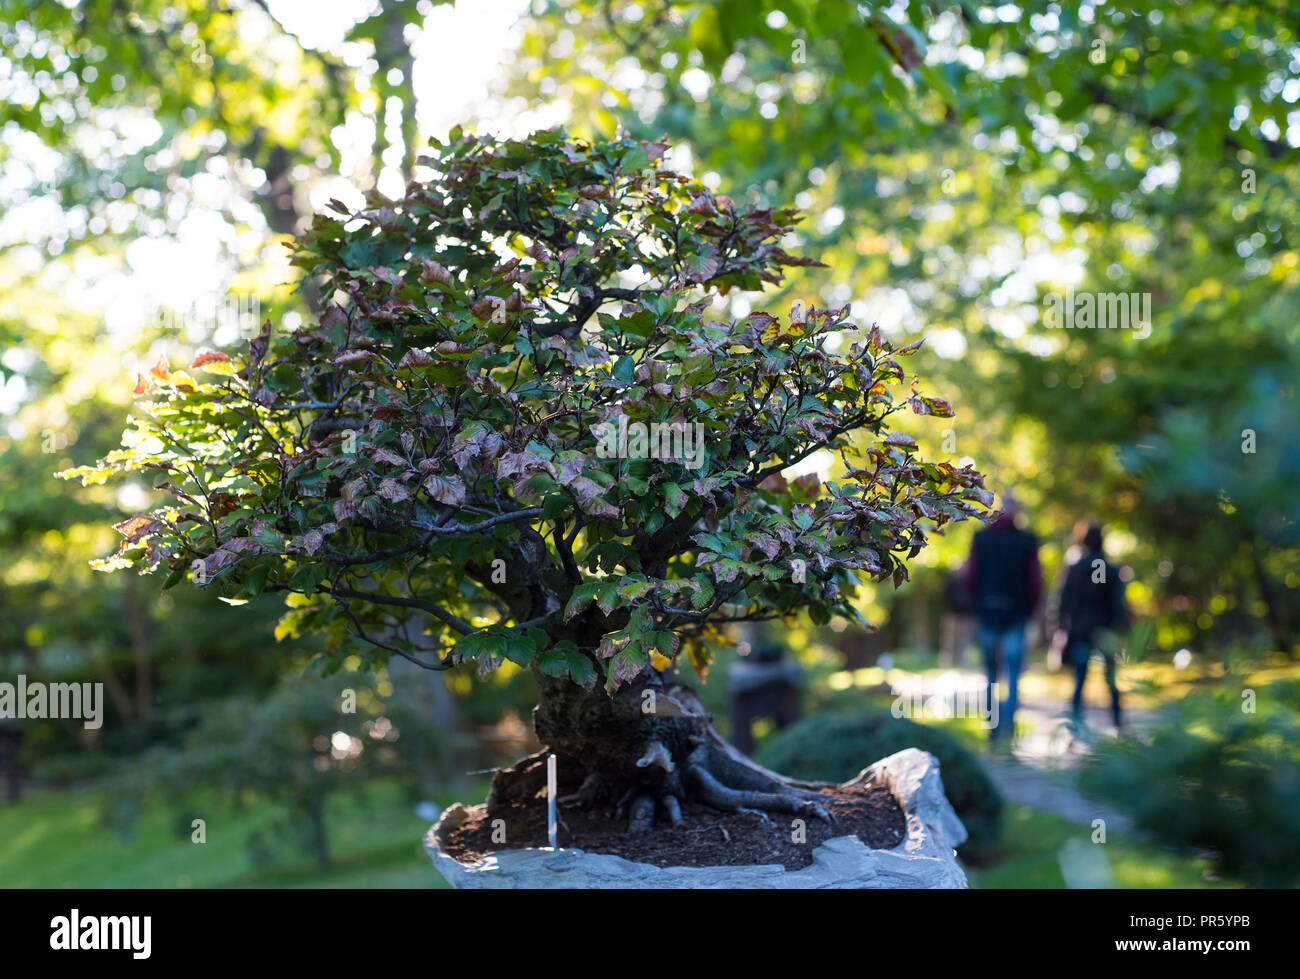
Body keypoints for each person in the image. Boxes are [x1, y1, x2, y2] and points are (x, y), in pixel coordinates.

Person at [964, 493, 1042, 744]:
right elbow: (1035, 581)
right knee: (1013, 674)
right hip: (1016, 615)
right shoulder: (1027, 541)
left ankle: (993, 729)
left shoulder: (981, 538)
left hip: (987, 612)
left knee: (991, 674)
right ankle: (1007, 729)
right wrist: (1031, 611)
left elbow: (970, 576)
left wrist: (977, 602)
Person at [1056, 523, 1129, 731]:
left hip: (1081, 631)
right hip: (1105, 631)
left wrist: (1062, 627)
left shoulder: (1075, 568)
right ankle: (1117, 725)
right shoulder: (1111, 570)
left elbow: (1064, 602)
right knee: (1110, 680)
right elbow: (1118, 604)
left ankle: (1075, 727)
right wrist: (1120, 628)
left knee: (1079, 681)